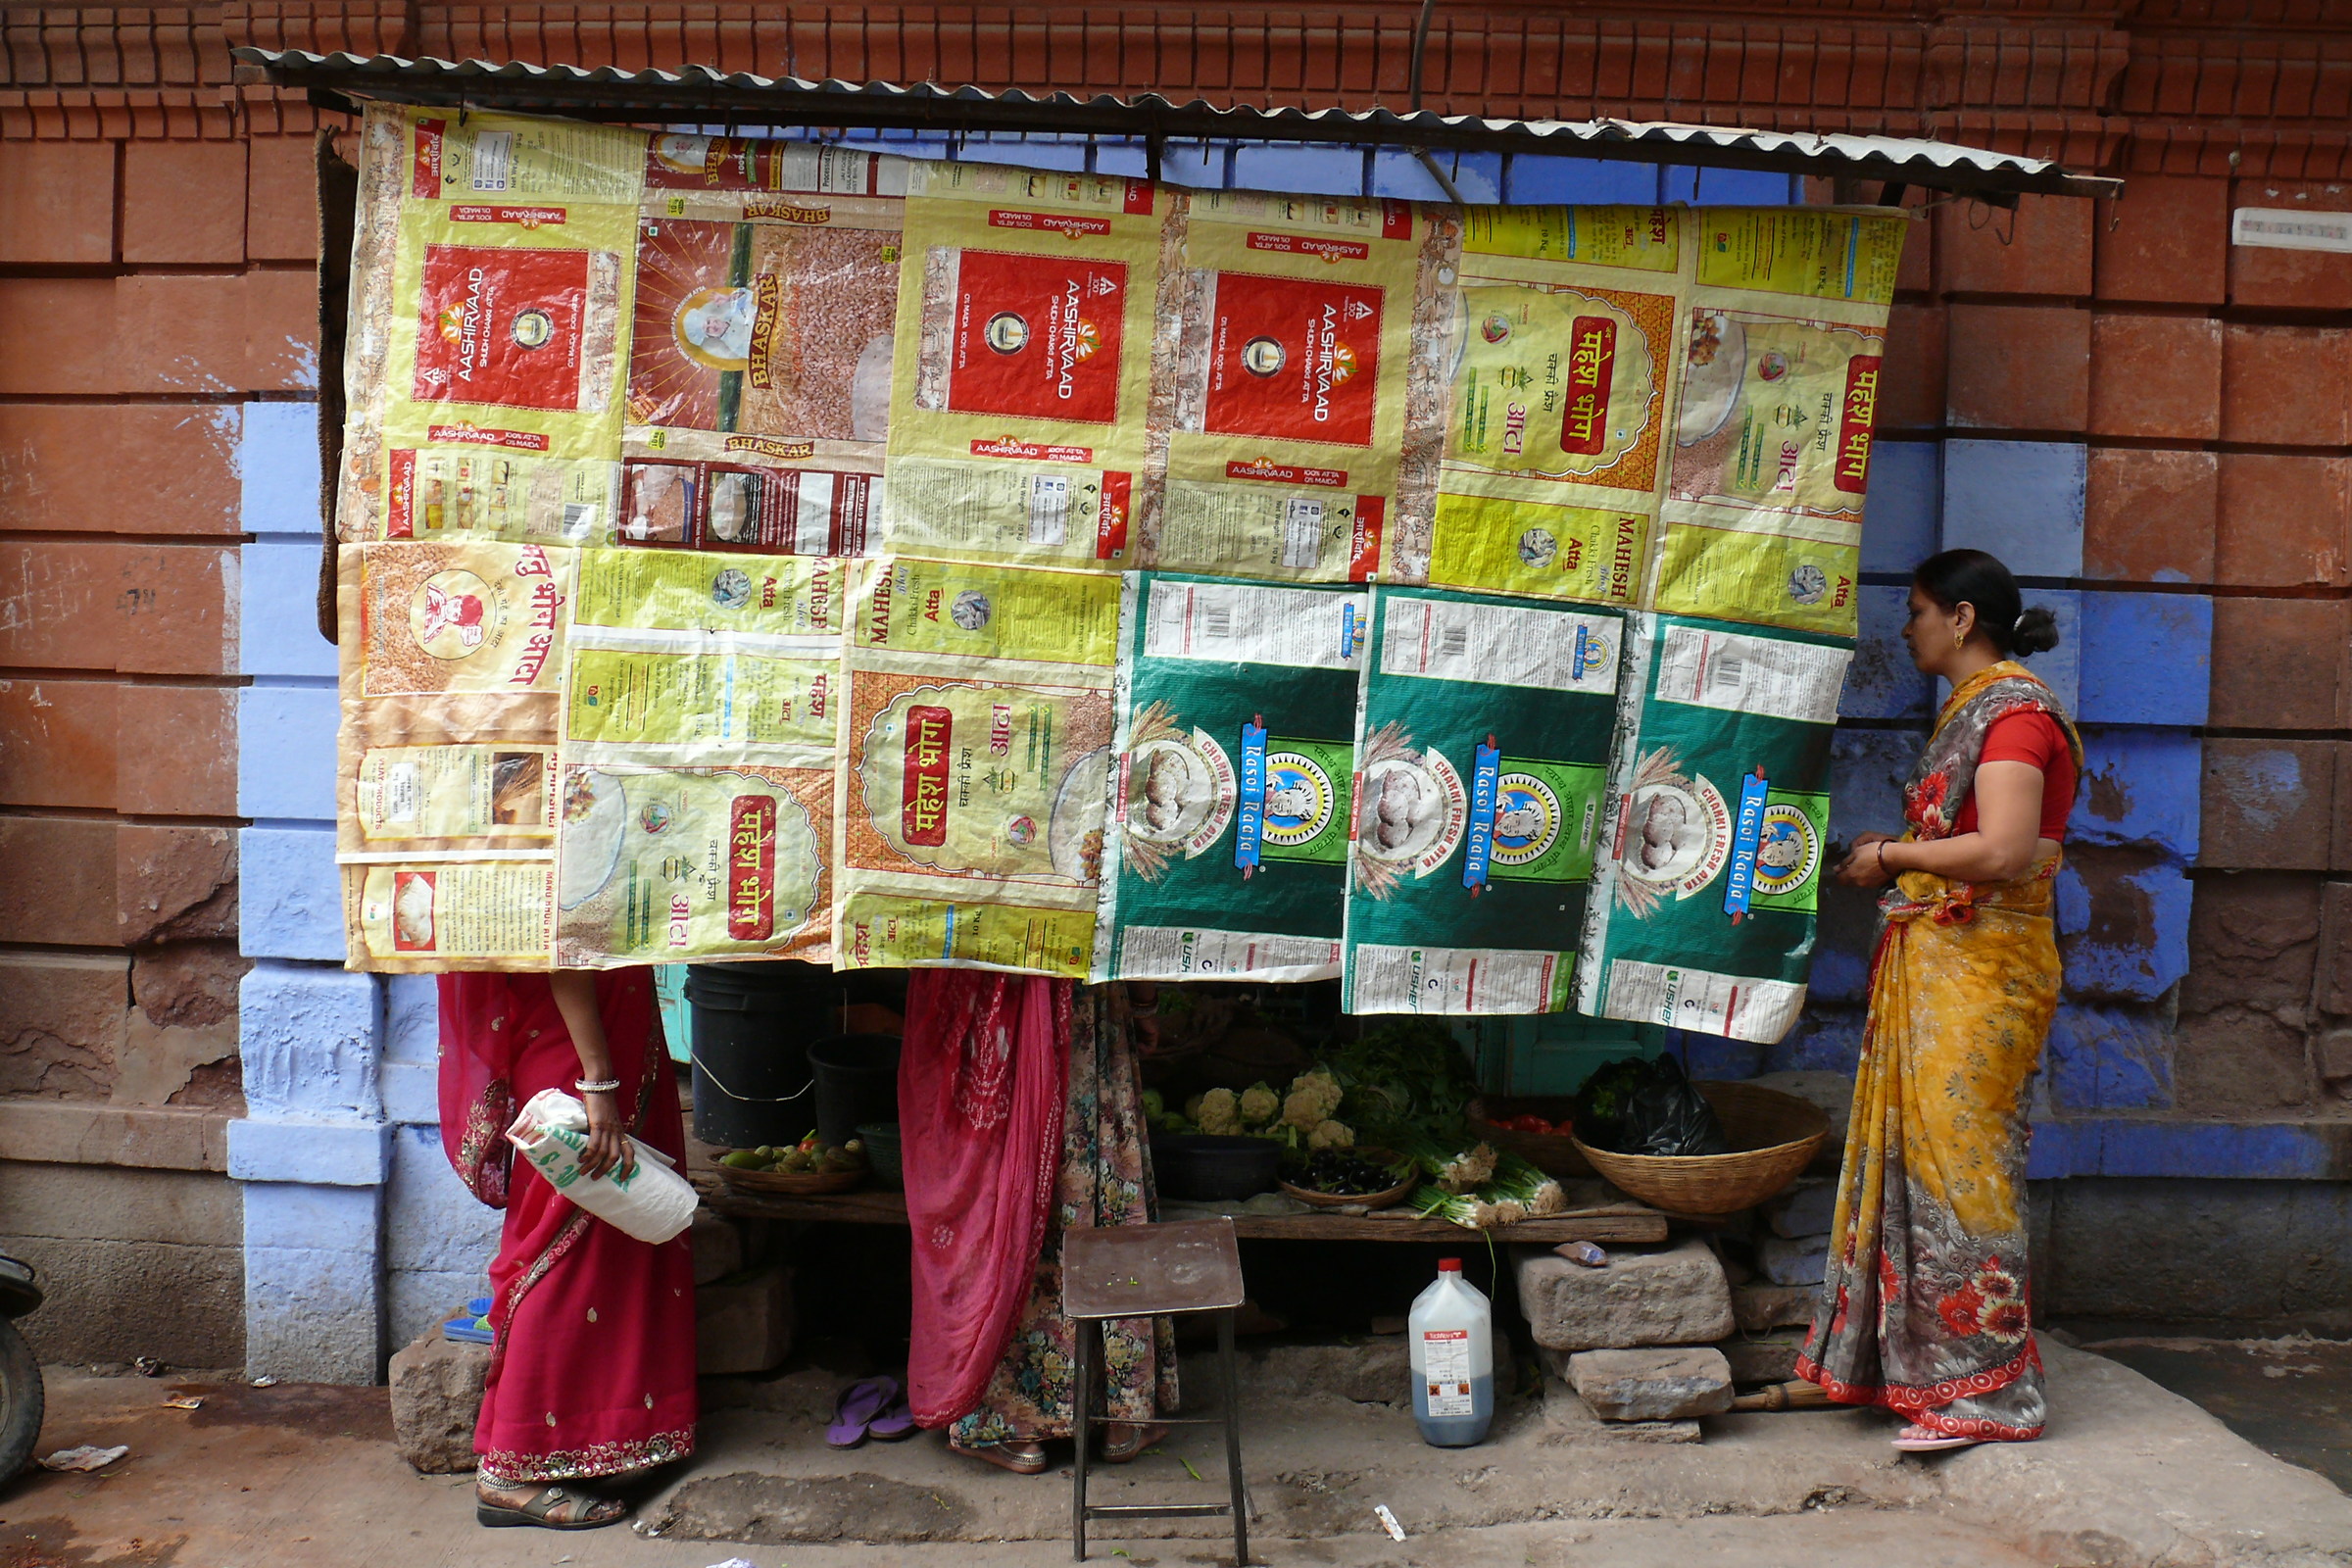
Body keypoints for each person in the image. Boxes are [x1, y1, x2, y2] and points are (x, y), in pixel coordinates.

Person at [1796, 549, 2080, 1453]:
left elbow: (2000, 850)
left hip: (1984, 972)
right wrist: (1897, 852)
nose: (1906, 627)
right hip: (1943, 963)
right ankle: (1924, 1376)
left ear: (1961, 618)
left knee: (1968, 1172)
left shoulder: (2016, 716)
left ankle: (1995, 1397)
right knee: (1925, 1171)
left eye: (1917, 611)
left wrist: (1892, 858)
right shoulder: (1977, 712)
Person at [438, 969, 698, 1528]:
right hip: (577, 1056)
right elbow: (567, 952)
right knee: (562, 1254)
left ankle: (600, 1437)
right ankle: (508, 1472)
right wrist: (599, 1083)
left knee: (610, 1249)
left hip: (605, 1038)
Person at [903, 976, 1176, 1475]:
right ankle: (1119, 1409)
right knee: (1091, 1186)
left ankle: (1008, 1418)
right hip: (1082, 1010)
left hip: (993, 999)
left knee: (1010, 1191)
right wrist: (1143, 1002)